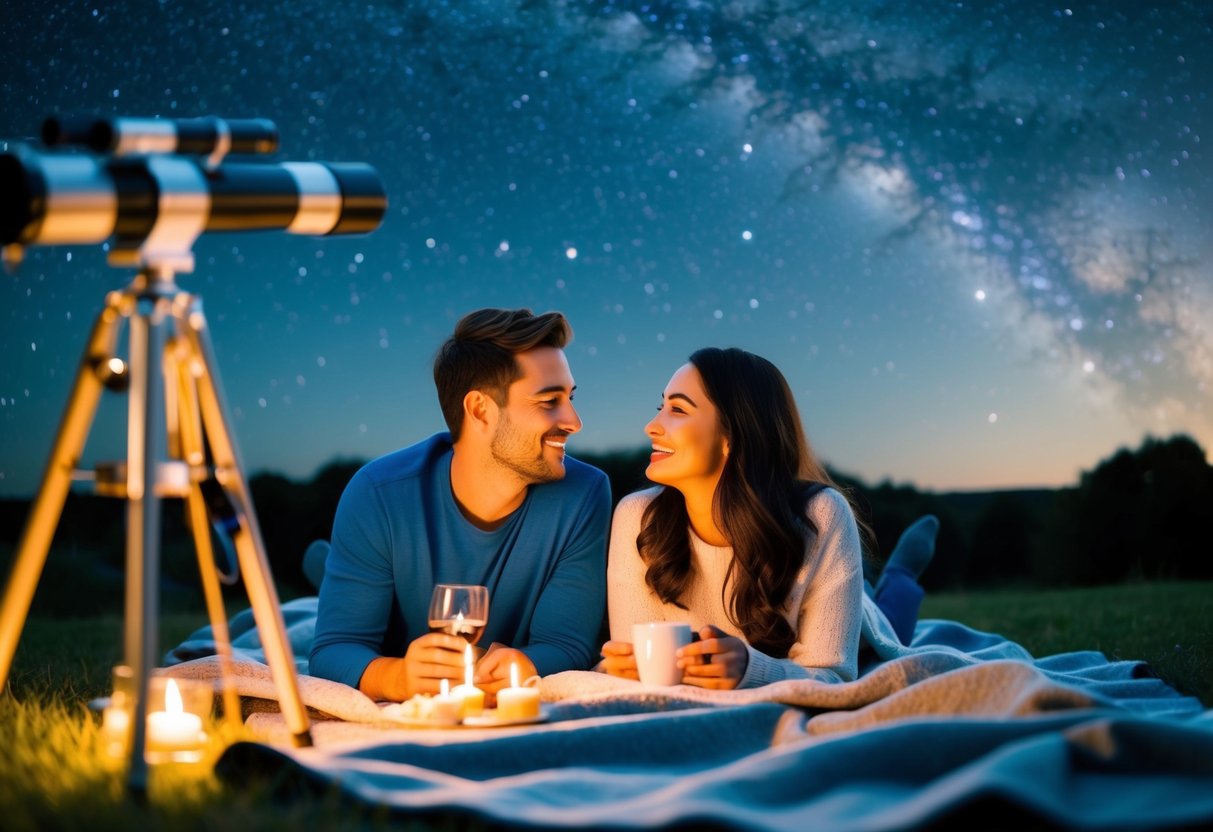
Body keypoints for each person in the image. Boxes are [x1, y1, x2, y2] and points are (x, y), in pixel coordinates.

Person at [310, 308, 611, 701]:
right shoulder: (378, 494)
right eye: (548, 401)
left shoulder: (584, 493)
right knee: (316, 597)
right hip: (390, 607)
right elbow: (334, 650)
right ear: (480, 410)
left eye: (569, 398)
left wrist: (526, 665)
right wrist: (396, 676)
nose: (574, 420)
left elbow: (567, 644)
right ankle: (319, 566)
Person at [600, 347, 938, 689]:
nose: (651, 426)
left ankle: (901, 573)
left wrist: (751, 670)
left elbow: (832, 673)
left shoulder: (820, 514)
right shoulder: (636, 516)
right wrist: (631, 666)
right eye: (661, 407)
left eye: (678, 409)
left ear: (732, 436)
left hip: (855, 632)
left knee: (889, 629)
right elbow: (637, 659)